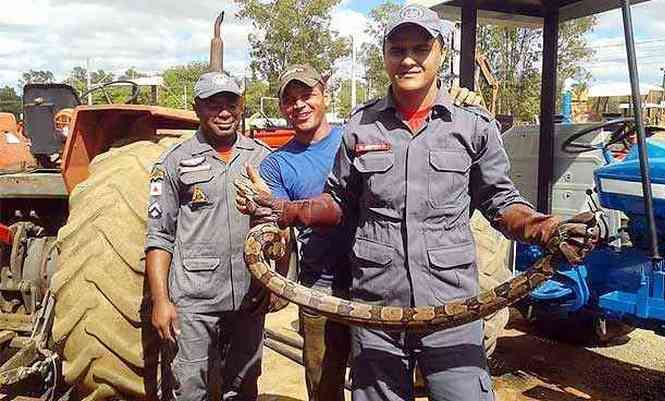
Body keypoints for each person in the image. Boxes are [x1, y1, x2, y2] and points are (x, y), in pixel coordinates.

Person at [236, 5, 598, 401]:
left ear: (441, 51)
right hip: (375, 312)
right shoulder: (360, 126)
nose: (408, 59)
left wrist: (545, 228)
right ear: (385, 56)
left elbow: (499, 200)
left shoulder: (472, 124)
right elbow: (339, 201)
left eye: (420, 48)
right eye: (398, 49)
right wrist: (288, 211)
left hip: (453, 308)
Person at [145, 71, 271, 401]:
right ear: (197, 108)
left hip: (248, 298)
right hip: (193, 303)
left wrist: (275, 280)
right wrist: (161, 301)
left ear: (241, 106)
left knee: (244, 387)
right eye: (213, 104)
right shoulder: (174, 162)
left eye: (231, 102)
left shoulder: (262, 158)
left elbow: (277, 227)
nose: (224, 111)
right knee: (188, 389)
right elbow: (159, 236)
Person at [255, 64, 353, 401]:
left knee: (378, 384)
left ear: (324, 95)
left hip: (373, 281)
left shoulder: (355, 138)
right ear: (282, 108)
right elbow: (278, 225)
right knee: (324, 386)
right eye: (290, 99)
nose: (299, 105)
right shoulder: (277, 164)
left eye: (307, 94)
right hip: (317, 289)